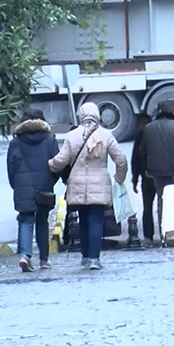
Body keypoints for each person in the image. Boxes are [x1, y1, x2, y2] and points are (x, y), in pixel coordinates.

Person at [49, 103, 127, 270]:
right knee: (95, 220)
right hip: (99, 184)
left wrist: (50, 165)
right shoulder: (106, 135)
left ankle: (85, 257)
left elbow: (61, 160)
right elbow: (120, 159)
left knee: (83, 220)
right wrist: (119, 178)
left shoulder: (72, 136)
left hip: (77, 185)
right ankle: (94, 258)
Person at [7, 108, 60, 272]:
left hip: (22, 187)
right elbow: (57, 164)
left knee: (26, 220)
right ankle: (44, 260)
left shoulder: (16, 141)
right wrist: (50, 180)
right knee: (42, 221)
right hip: (44, 185)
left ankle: (25, 256)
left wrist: (16, 185)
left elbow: (11, 168)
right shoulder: (50, 139)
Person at [137, 100, 174, 235]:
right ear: (173, 111)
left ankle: (156, 235)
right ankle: (170, 233)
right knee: (172, 203)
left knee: (155, 204)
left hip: (154, 173)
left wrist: (145, 170)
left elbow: (142, 152)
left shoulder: (149, 128)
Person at [130, 115, 157, 245]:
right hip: (160, 175)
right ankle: (164, 232)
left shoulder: (140, 136)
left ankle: (148, 236)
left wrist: (135, 179)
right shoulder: (156, 135)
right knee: (162, 206)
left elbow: (135, 160)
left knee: (147, 208)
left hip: (146, 178)